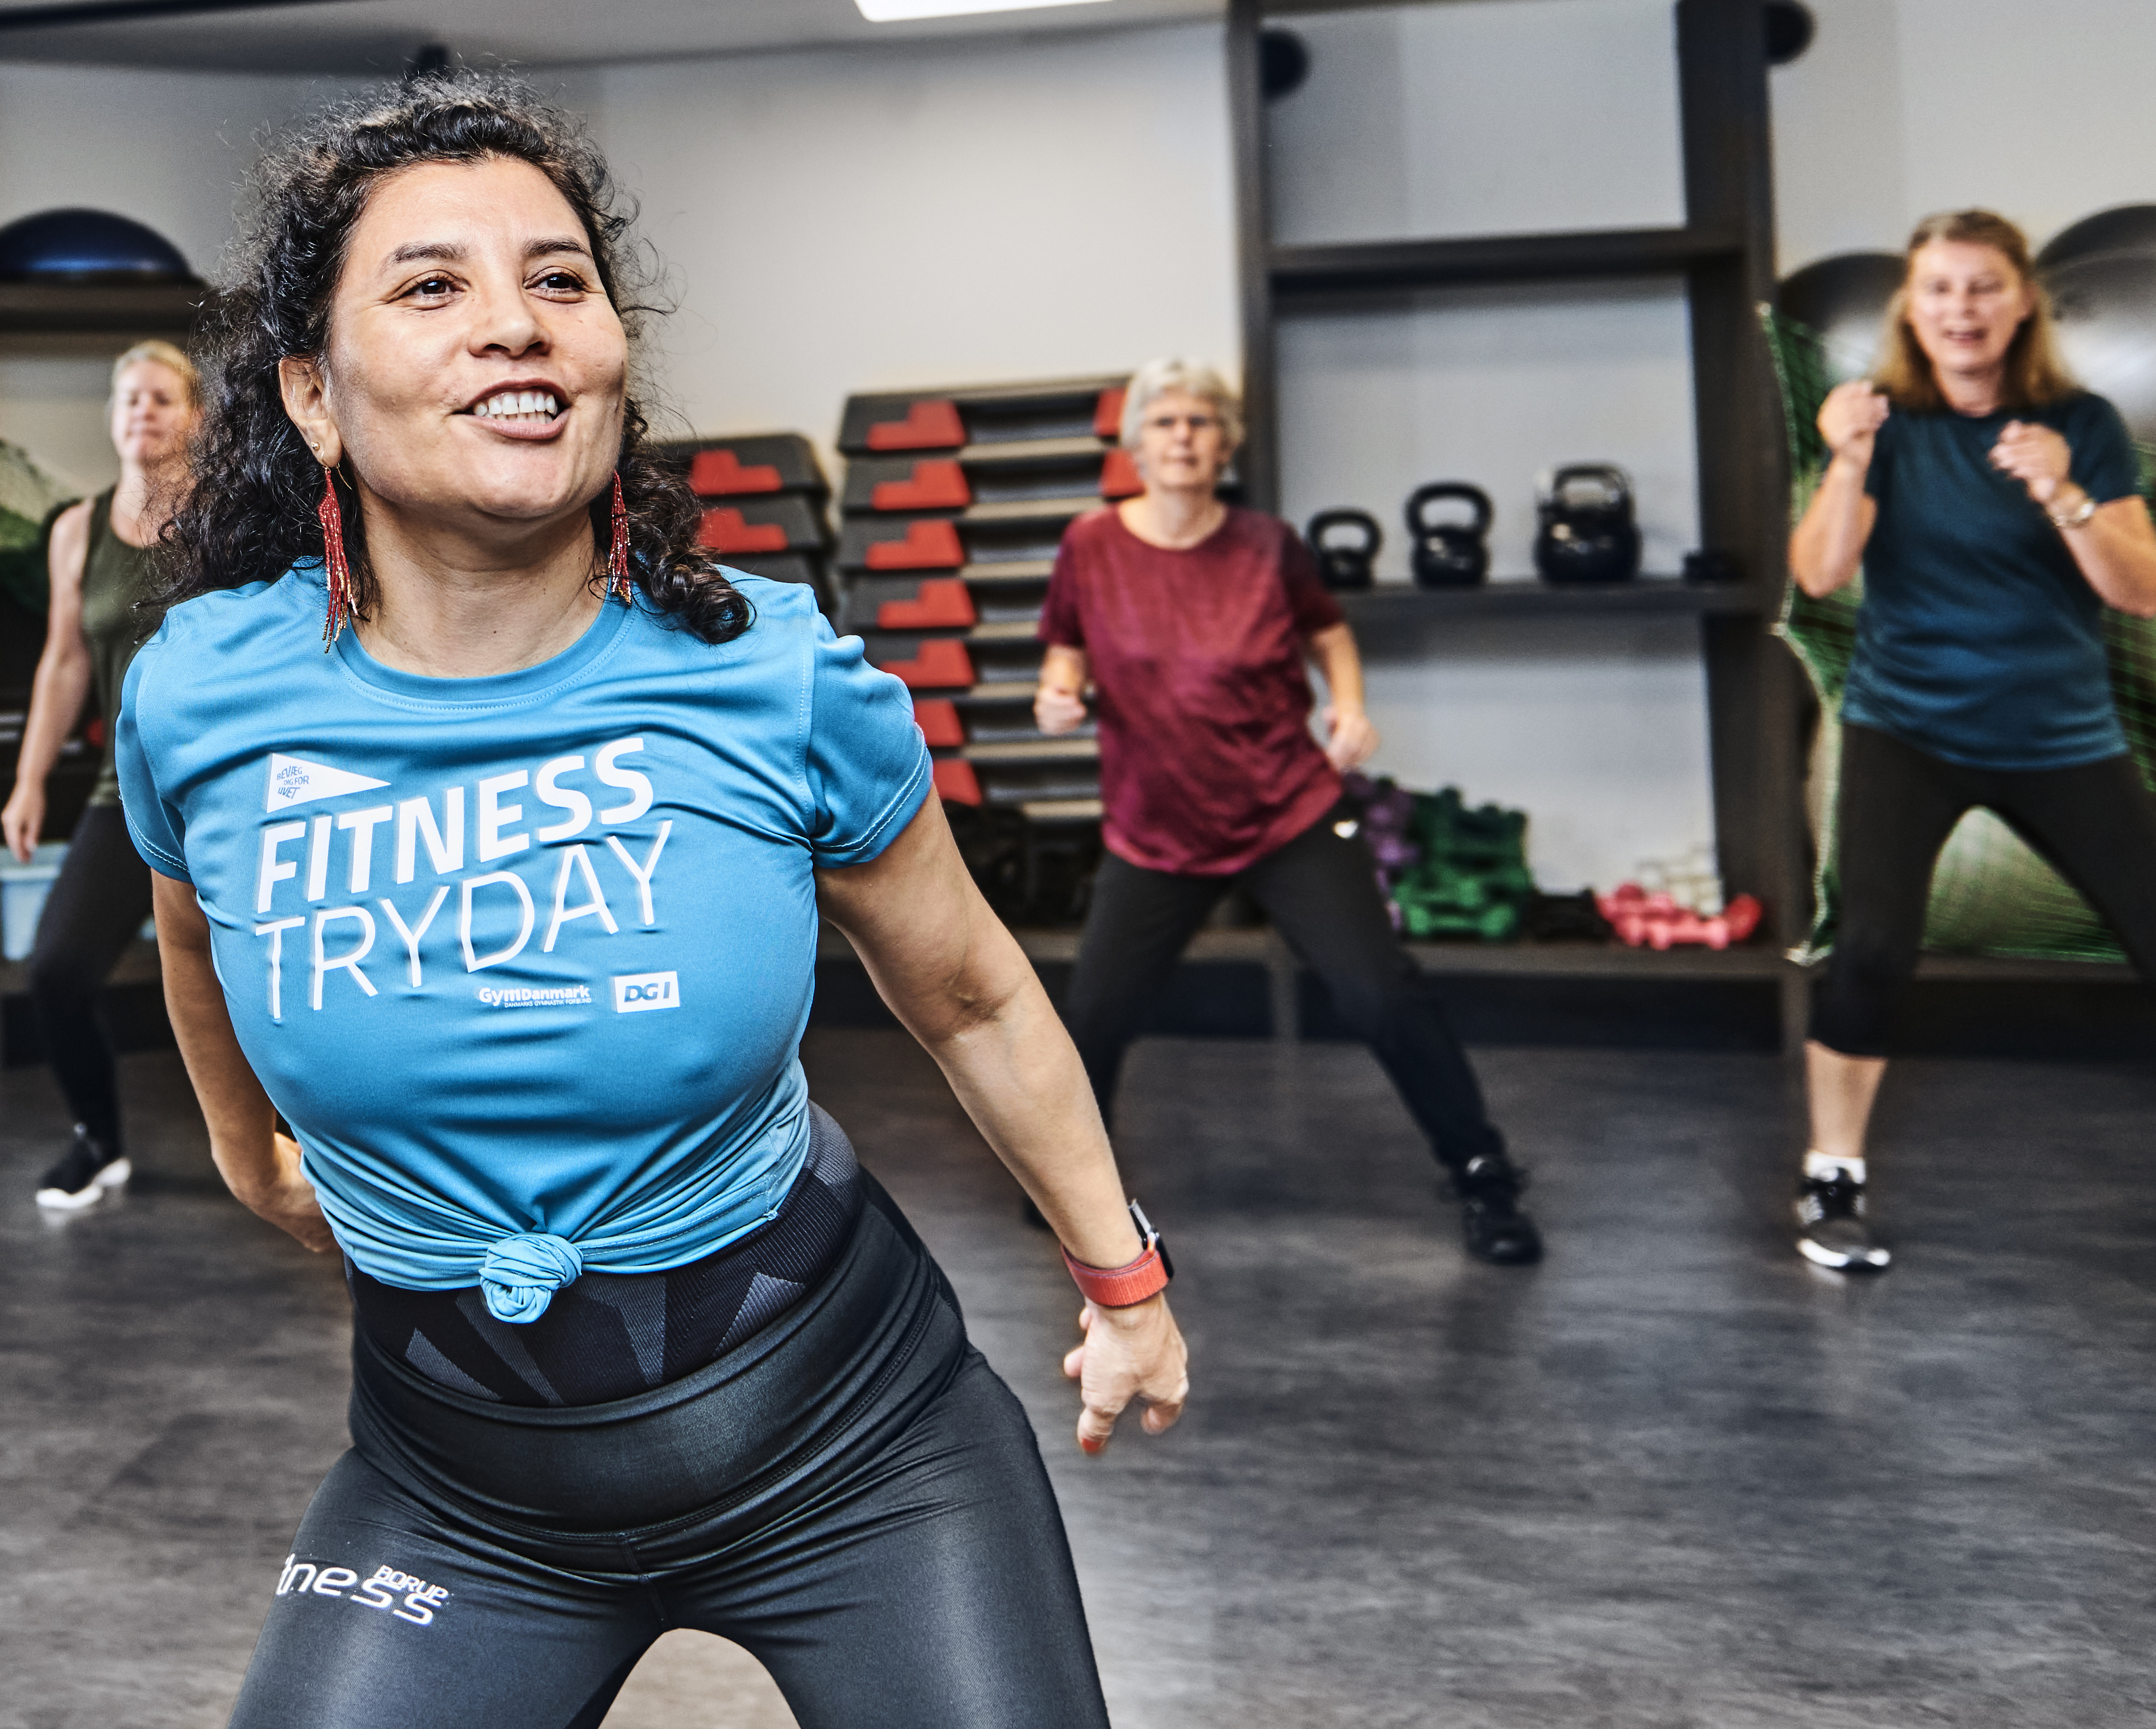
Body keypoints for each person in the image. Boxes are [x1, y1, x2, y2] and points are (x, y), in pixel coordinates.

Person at [125, 77, 1187, 1726]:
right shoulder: (204, 691)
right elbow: (193, 929)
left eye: (560, 281)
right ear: (315, 397)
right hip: (458, 1484)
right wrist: (244, 1146)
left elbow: (971, 993)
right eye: (434, 286)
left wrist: (1123, 1283)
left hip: (859, 1446)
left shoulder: (767, 676)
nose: (518, 327)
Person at [1034, 359, 1544, 1266]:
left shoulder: (1269, 546)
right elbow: (1066, 642)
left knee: (1378, 994)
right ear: (1136, 445)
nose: (1182, 435)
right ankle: (1075, 1188)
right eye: (1164, 421)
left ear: (1225, 444)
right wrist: (1058, 689)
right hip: (1155, 825)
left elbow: (1327, 632)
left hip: (1285, 811)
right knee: (1095, 1013)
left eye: (1200, 421)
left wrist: (1347, 703)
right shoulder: (1090, 546)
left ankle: (1482, 1172)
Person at [1788, 208, 2156, 1273]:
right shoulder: (1878, 424)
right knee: (1871, 951)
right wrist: (1842, 461)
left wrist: (2061, 491)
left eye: (1981, 287)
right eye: (1938, 289)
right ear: (1910, 309)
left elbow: (2145, 594)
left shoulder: (2085, 422)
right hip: (1906, 728)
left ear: (2021, 301)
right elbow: (1820, 575)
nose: (1960, 309)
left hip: (2061, 737)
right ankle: (1831, 1177)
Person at [0, 340, 200, 1210]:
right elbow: (63, 663)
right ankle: (97, 1140)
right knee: (56, 971)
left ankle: (313, 1156)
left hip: (227, 786)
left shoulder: (227, 516)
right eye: (128, 400)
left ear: (196, 418)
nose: (143, 412)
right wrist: (29, 780)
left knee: (269, 981)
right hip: (129, 790)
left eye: (162, 398)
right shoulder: (76, 528)